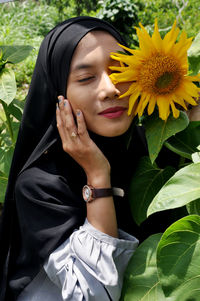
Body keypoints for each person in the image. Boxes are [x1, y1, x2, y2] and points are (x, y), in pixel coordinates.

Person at [0, 16, 148, 301]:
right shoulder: (39, 185)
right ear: (58, 96)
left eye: (121, 70)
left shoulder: (157, 150)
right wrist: (97, 176)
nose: (111, 88)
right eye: (85, 78)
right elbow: (94, 294)